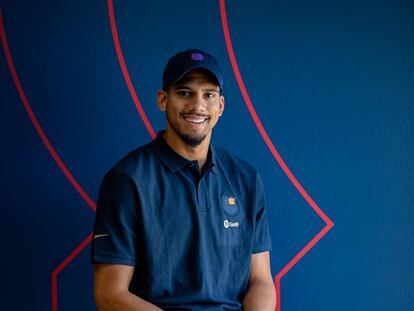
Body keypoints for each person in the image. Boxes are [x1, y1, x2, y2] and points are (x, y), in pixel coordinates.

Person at [91, 48, 276, 310]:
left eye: (208, 95)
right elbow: (110, 295)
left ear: (220, 106)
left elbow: (261, 280)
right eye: (185, 93)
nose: (197, 106)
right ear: (163, 100)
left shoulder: (245, 178)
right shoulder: (127, 180)